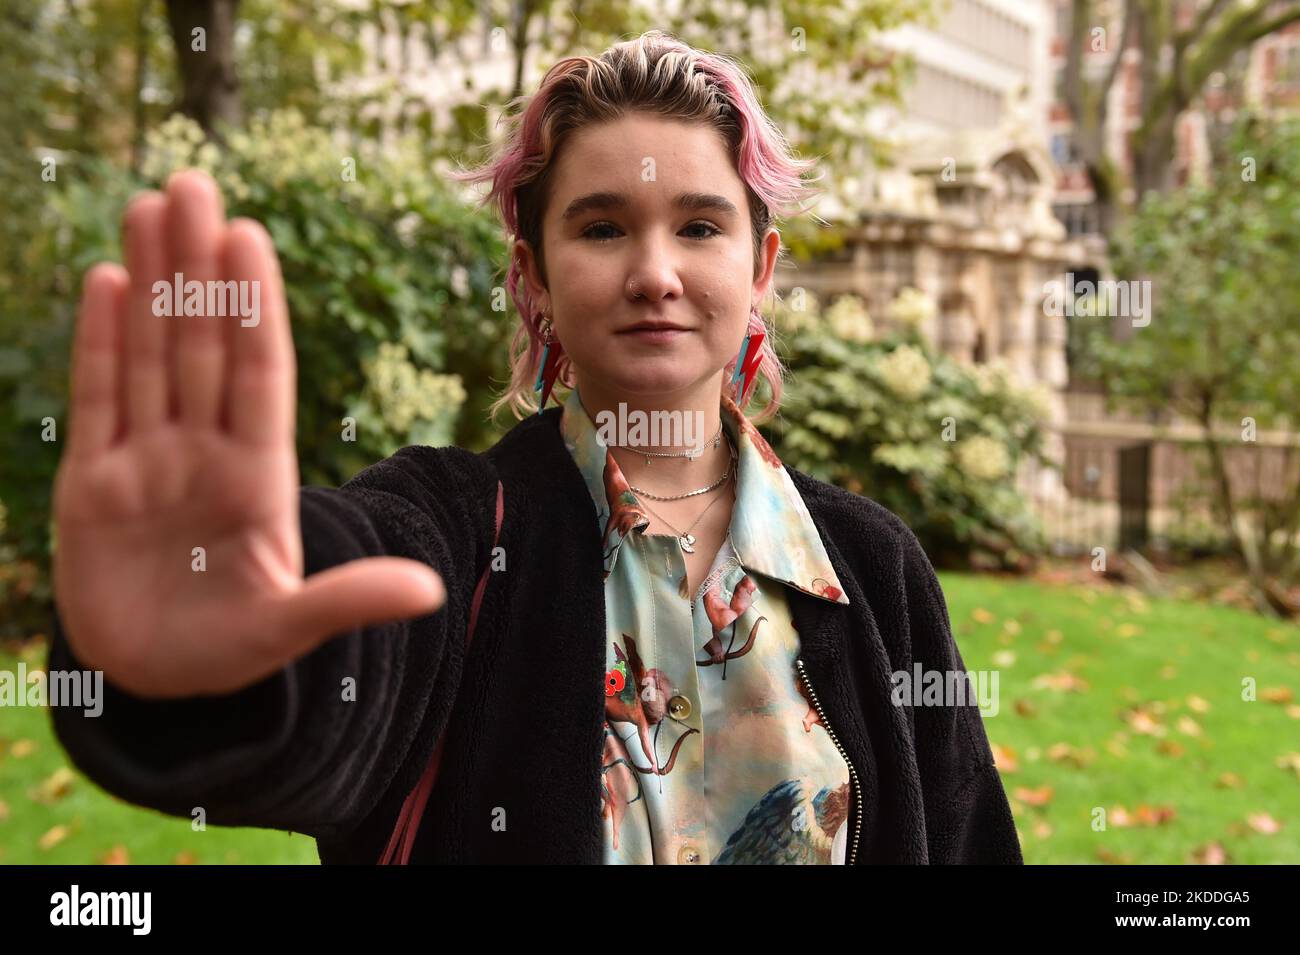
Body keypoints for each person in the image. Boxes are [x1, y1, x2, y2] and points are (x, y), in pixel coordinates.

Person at [47, 30, 1022, 864]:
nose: (653, 272)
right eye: (602, 227)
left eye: (698, 225)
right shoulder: (458, 528)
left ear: (758, 265)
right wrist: (211, 646)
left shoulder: (873, 565)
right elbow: (343, 647)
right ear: (537, 276)